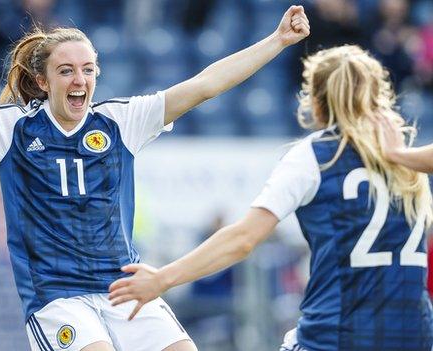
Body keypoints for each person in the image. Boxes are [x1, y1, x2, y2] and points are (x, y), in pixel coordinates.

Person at [0, 6, 309, 351]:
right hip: (58, 297)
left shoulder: (121, 121)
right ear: (43, 80)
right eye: (67, 71)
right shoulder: (9, 127)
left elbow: (204, 86)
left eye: (88, 70)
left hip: (123, 286)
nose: (80, 80)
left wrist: (278, 40)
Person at [109, 45, 433, 351]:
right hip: (415, 336)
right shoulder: (409, 163)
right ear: (381, 97)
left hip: (336, 334)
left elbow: (243, 239)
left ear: (316, 103)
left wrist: (163, 278)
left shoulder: (314, 156)